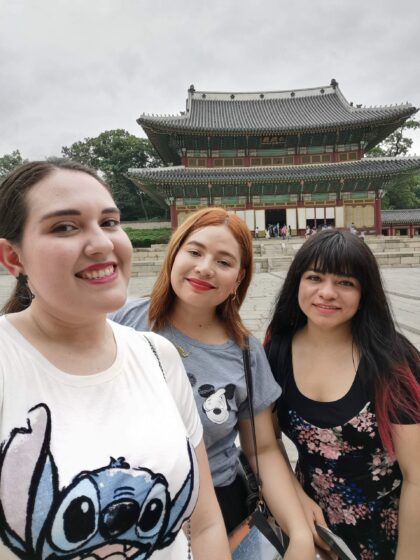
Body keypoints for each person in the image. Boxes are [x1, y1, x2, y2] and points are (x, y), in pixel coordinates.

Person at [0, 160, 231, 560]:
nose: (102, 244)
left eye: (109, 222)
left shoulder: (158, 356)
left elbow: (205, 522)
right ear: (12, 257)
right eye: (65, 227)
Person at [111, 208, 316, 559]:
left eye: (224, 262)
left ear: (239, 278)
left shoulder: (246, 353)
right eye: (195, 251)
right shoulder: (123, 322)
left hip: (218, 508)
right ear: (174, 253)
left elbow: (262, 449)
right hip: (122, 502)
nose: (205, 268)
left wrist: (298, 532)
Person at [265, 229, 420, 559]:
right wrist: (296, 499)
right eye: (314, 277)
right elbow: (267, 443)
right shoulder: (276, 351)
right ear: (296, 283)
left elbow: (417, 477)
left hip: (391, 529)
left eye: (345, 283)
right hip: (312, 526)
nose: (327, 292)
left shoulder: (391, 361)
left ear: (365, 293)